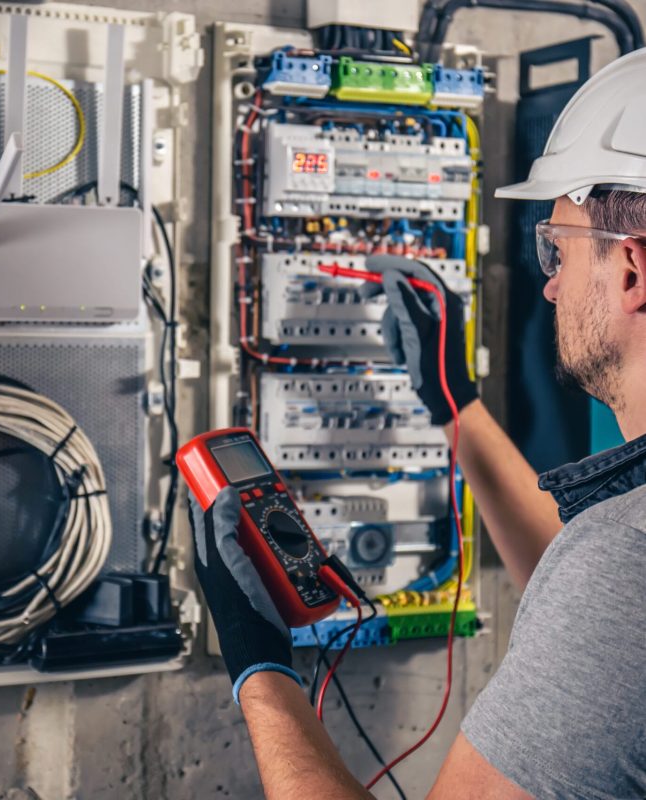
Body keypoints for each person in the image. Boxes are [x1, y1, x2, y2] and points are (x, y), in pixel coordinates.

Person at [189, 49, 646, 799]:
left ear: (630, 269)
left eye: (555, 246)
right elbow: (596, 626)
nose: (552, 283)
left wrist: (259, 665)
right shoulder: (619, 566)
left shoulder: (625, 564)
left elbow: (609, 596)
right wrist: (453, 403)